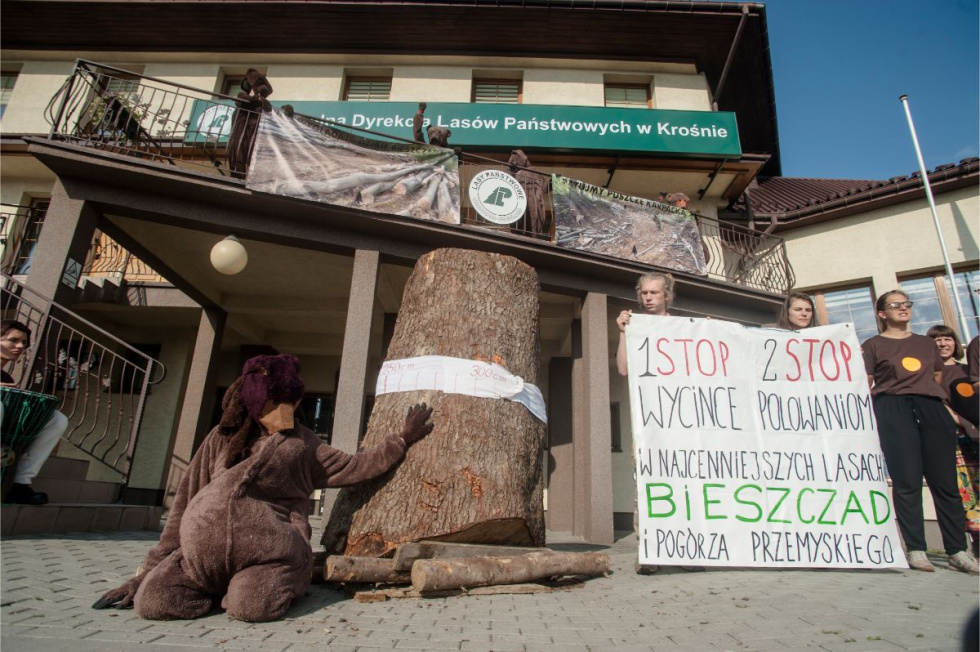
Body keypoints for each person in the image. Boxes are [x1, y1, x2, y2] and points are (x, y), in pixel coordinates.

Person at [862, 291, 978, 574]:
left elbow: (936, 378)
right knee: (907, 481)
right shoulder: (873, 345)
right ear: (881, 314)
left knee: (945, 482)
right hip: (893, 408)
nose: (903, 309)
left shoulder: (926, 344)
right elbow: (866, 383)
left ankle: (957, 550)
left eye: (906, 304)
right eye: (895, 305)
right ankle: (916, 549)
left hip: (930, 408)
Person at [0, 321, 69, 505]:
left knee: (56, 419)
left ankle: (20, 483)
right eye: (13, 340)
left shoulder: (6, 377)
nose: (20, 346)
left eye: (24, 342)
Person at [928, 325, 980, 557]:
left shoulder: (968, 370)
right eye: (937, 340)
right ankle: (970, 544)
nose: (942, 344)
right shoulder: (929, 375)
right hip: (954, 439)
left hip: (976, 439)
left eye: (947, 339)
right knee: (963, 493)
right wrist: (963, 423)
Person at [616, 271, 673, 377]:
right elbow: (623, 370)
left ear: (666, 295)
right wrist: (623, 331)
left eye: (654, 292)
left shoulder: (680, 327)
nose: (648, 298)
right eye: (644, 293)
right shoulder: (633, 324)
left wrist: (706, 328)